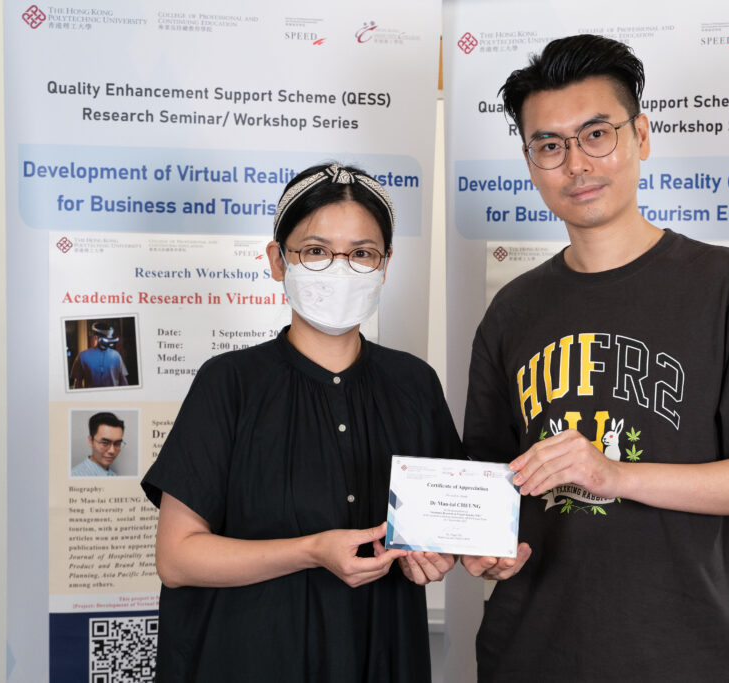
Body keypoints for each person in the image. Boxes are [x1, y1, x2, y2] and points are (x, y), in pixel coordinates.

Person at [460, 35, 729, 682]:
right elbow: (493, 488)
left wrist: (617, 475)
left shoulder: (728, 287)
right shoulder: (512, 311)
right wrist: (486, 549)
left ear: (640, 135)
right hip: (532, 654)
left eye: (596, 134)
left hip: (691, 655)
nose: (576, 164)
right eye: (550, 146)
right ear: (530, 162)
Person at [141, 163, 462, 682]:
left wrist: (438, 553)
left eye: (362, 253)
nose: (340, 269)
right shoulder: (229, 383)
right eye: (315, 251)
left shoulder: (414, 383)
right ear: (277, 260)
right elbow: (177, 559)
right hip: (252, 659)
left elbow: (448, 523)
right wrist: (311, 551)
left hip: (379, 655)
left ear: (385, 265)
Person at [70, 321, 129, 388]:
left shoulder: (116, 356)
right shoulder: (82, 356)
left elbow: (123, 380)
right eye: (105, 339)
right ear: (96, 337)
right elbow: (77, 383)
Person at [71, 412, 125, 477]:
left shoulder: (114, 476)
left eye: (117, 444)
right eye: (105, 443)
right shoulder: (75, 476)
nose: (112, 451)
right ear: (91, 441)